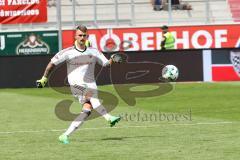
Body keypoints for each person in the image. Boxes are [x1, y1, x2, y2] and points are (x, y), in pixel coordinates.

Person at [36, 24, 122, 144]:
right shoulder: (68, 52)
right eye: (80, 35)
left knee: (86, 111)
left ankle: (65, 135)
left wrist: (112, 59)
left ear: (87, 36)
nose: (82, 37)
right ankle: (109, 118)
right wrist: (44, 79)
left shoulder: (94, 51)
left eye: (84, 35)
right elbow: (52, 64)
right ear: (75, 36)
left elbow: (105, 64)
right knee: (90, 95)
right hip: (76, 85)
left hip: (90, 84)